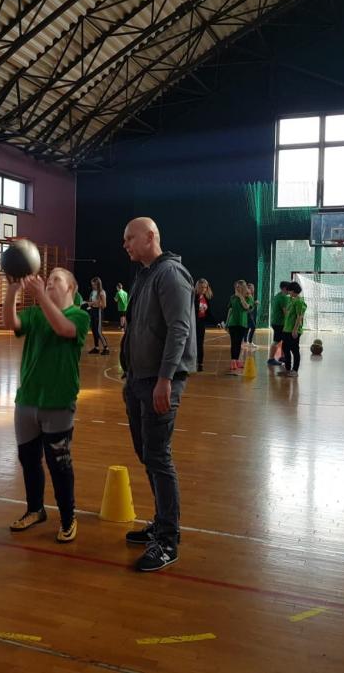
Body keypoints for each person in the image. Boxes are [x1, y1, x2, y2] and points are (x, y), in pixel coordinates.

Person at [121, 217, 195, 572]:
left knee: (158, 457)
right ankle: (160, 522)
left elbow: (179, 329)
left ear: (151, 236)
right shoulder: (145, 275)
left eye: (130, 238)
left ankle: (167, 540)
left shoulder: (170, 274)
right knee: (147, 454)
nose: (125, 245)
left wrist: (165, 378)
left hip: (159, 381)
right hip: (138, 380)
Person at [3, 268, 89, 543]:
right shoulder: (35, 313)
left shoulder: (79, 315)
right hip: (27, 400)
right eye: (48, 279)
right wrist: (12, 290)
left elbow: (63, 329)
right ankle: (35, 510)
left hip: (58, 402)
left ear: (71, 288)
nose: (49, 282)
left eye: (56, 280)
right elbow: (10, 322)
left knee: (59, 465)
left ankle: (68, 518)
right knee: (29, 461)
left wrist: (40, 295)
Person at [279, 281, 306, 378]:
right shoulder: (292, 300)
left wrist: (295, 330)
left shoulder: (299, 302)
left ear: (293, 291)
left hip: (293, 330)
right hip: (287, 329)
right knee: (285, 348)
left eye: (290, 291)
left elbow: (299, 317)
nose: (288, 292)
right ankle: (287, 369)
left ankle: (295, 370)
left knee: (295, 350)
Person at [224, 280, 252, 374]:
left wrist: (240, 297)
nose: (237, 288)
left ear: (243, 287)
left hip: (242, 323)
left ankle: (236, 360)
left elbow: (247, 307)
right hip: (233, 323)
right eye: (236, 286)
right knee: (234, 342)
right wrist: (227, 323)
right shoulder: (232, 297)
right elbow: (230, 310)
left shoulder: (248, 297)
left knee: (239, 343)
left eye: (239, 286)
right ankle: (233, 361)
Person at [267, 281, 291, 366]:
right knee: (276, 341)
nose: (290, 290)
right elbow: (286, 312)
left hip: (276, 322)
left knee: (284, 340)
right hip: (279, 323)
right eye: (289, 288)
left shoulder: (277, 296)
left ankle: (282, 357)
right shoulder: (283, 298)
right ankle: (271, 359)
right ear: (284, 288)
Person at [193, 278, 214, 372]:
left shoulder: (206, 298)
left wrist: (217, 322)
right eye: (201, 287)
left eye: (205, 287)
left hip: (201, 324)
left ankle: (200, 364)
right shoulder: (193, 297)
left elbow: (208, 313)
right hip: (192, 324)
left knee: (200, 344)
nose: (203, 289)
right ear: (197, 287)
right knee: (190, 345)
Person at [87, 277, 110, 355]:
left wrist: (94, 303)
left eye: (94, 285)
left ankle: (106, 348)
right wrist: (89, 303)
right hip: (93, 311)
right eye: (92, 285)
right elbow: (91, 301)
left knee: (98, 331)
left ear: (98, 284)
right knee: (93, 330)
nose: (92, 286)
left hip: (98, 311)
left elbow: (104, 305)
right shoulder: (93, 292)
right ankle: (96, 348)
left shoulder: (102, 292)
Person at [245, 282, 259, 347]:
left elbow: (251, 308)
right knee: (253, 327)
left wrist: (254, 304)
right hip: (247, 315)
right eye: (250, 288)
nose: (252, 289)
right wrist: (254, 304)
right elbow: (248, 308)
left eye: (253, 288)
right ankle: (249, 342)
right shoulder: (248, 297)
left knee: (247, 328)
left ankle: (246, 342)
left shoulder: (251, 296)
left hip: (250, 314)